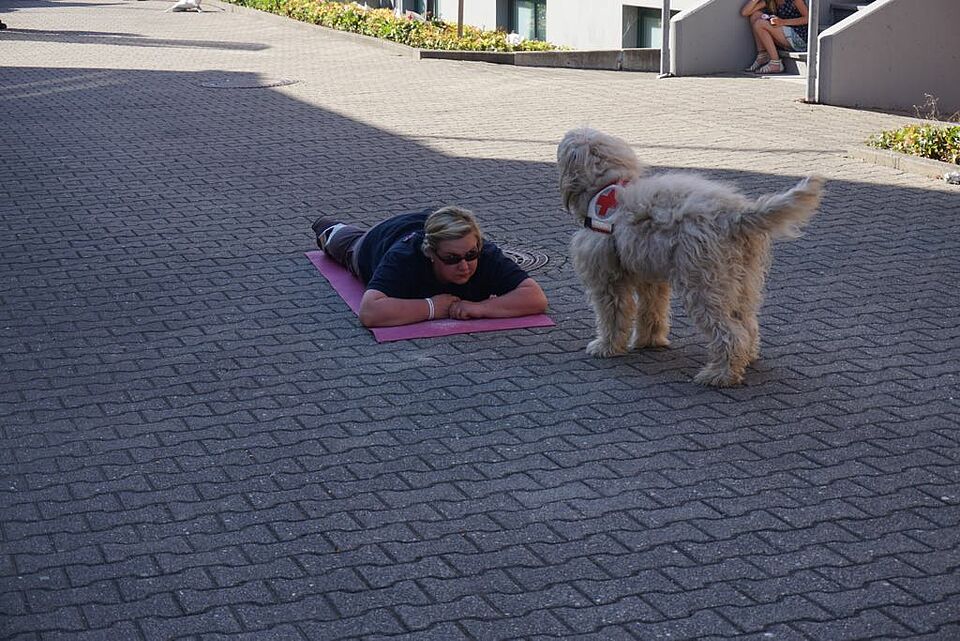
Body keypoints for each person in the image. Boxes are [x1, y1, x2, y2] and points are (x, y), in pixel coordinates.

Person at [312, 206, 549, 328]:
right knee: (335, 239)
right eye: (452, 259)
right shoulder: (404, 258)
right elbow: (370, 312)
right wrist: (433, 307)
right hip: (374, 242)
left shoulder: (484, 253)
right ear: (431, 254)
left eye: (470, 255)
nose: (464, 265)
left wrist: (479, 308)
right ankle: (327, 226)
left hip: (427, 221)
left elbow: (535, 298)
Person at [741, 0, 809, 74]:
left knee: (760, 24)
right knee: (755, 16)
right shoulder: (770, 2)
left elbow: (808, 18)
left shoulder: (795, 1)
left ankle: (776, 63)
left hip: (800, 38)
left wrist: (783, 22)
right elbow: (745, 12)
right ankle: (763, 54)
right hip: (784, 35)